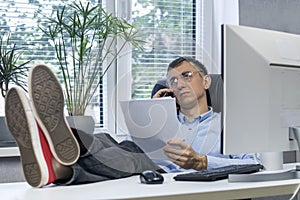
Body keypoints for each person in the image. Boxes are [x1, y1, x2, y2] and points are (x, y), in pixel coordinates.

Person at [5, 58, 256, 188]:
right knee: (108, 142)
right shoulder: (166, 118)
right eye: (173, 81)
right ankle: (59, 166)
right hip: (137, 159)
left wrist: (202, 162)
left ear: (206, 81)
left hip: (159, 171)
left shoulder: (226, 124)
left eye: (186, 76)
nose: (178, 84)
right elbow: (131, 145)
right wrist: (152, 113)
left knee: (126, 158)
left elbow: (254, 162)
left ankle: (66, 143)